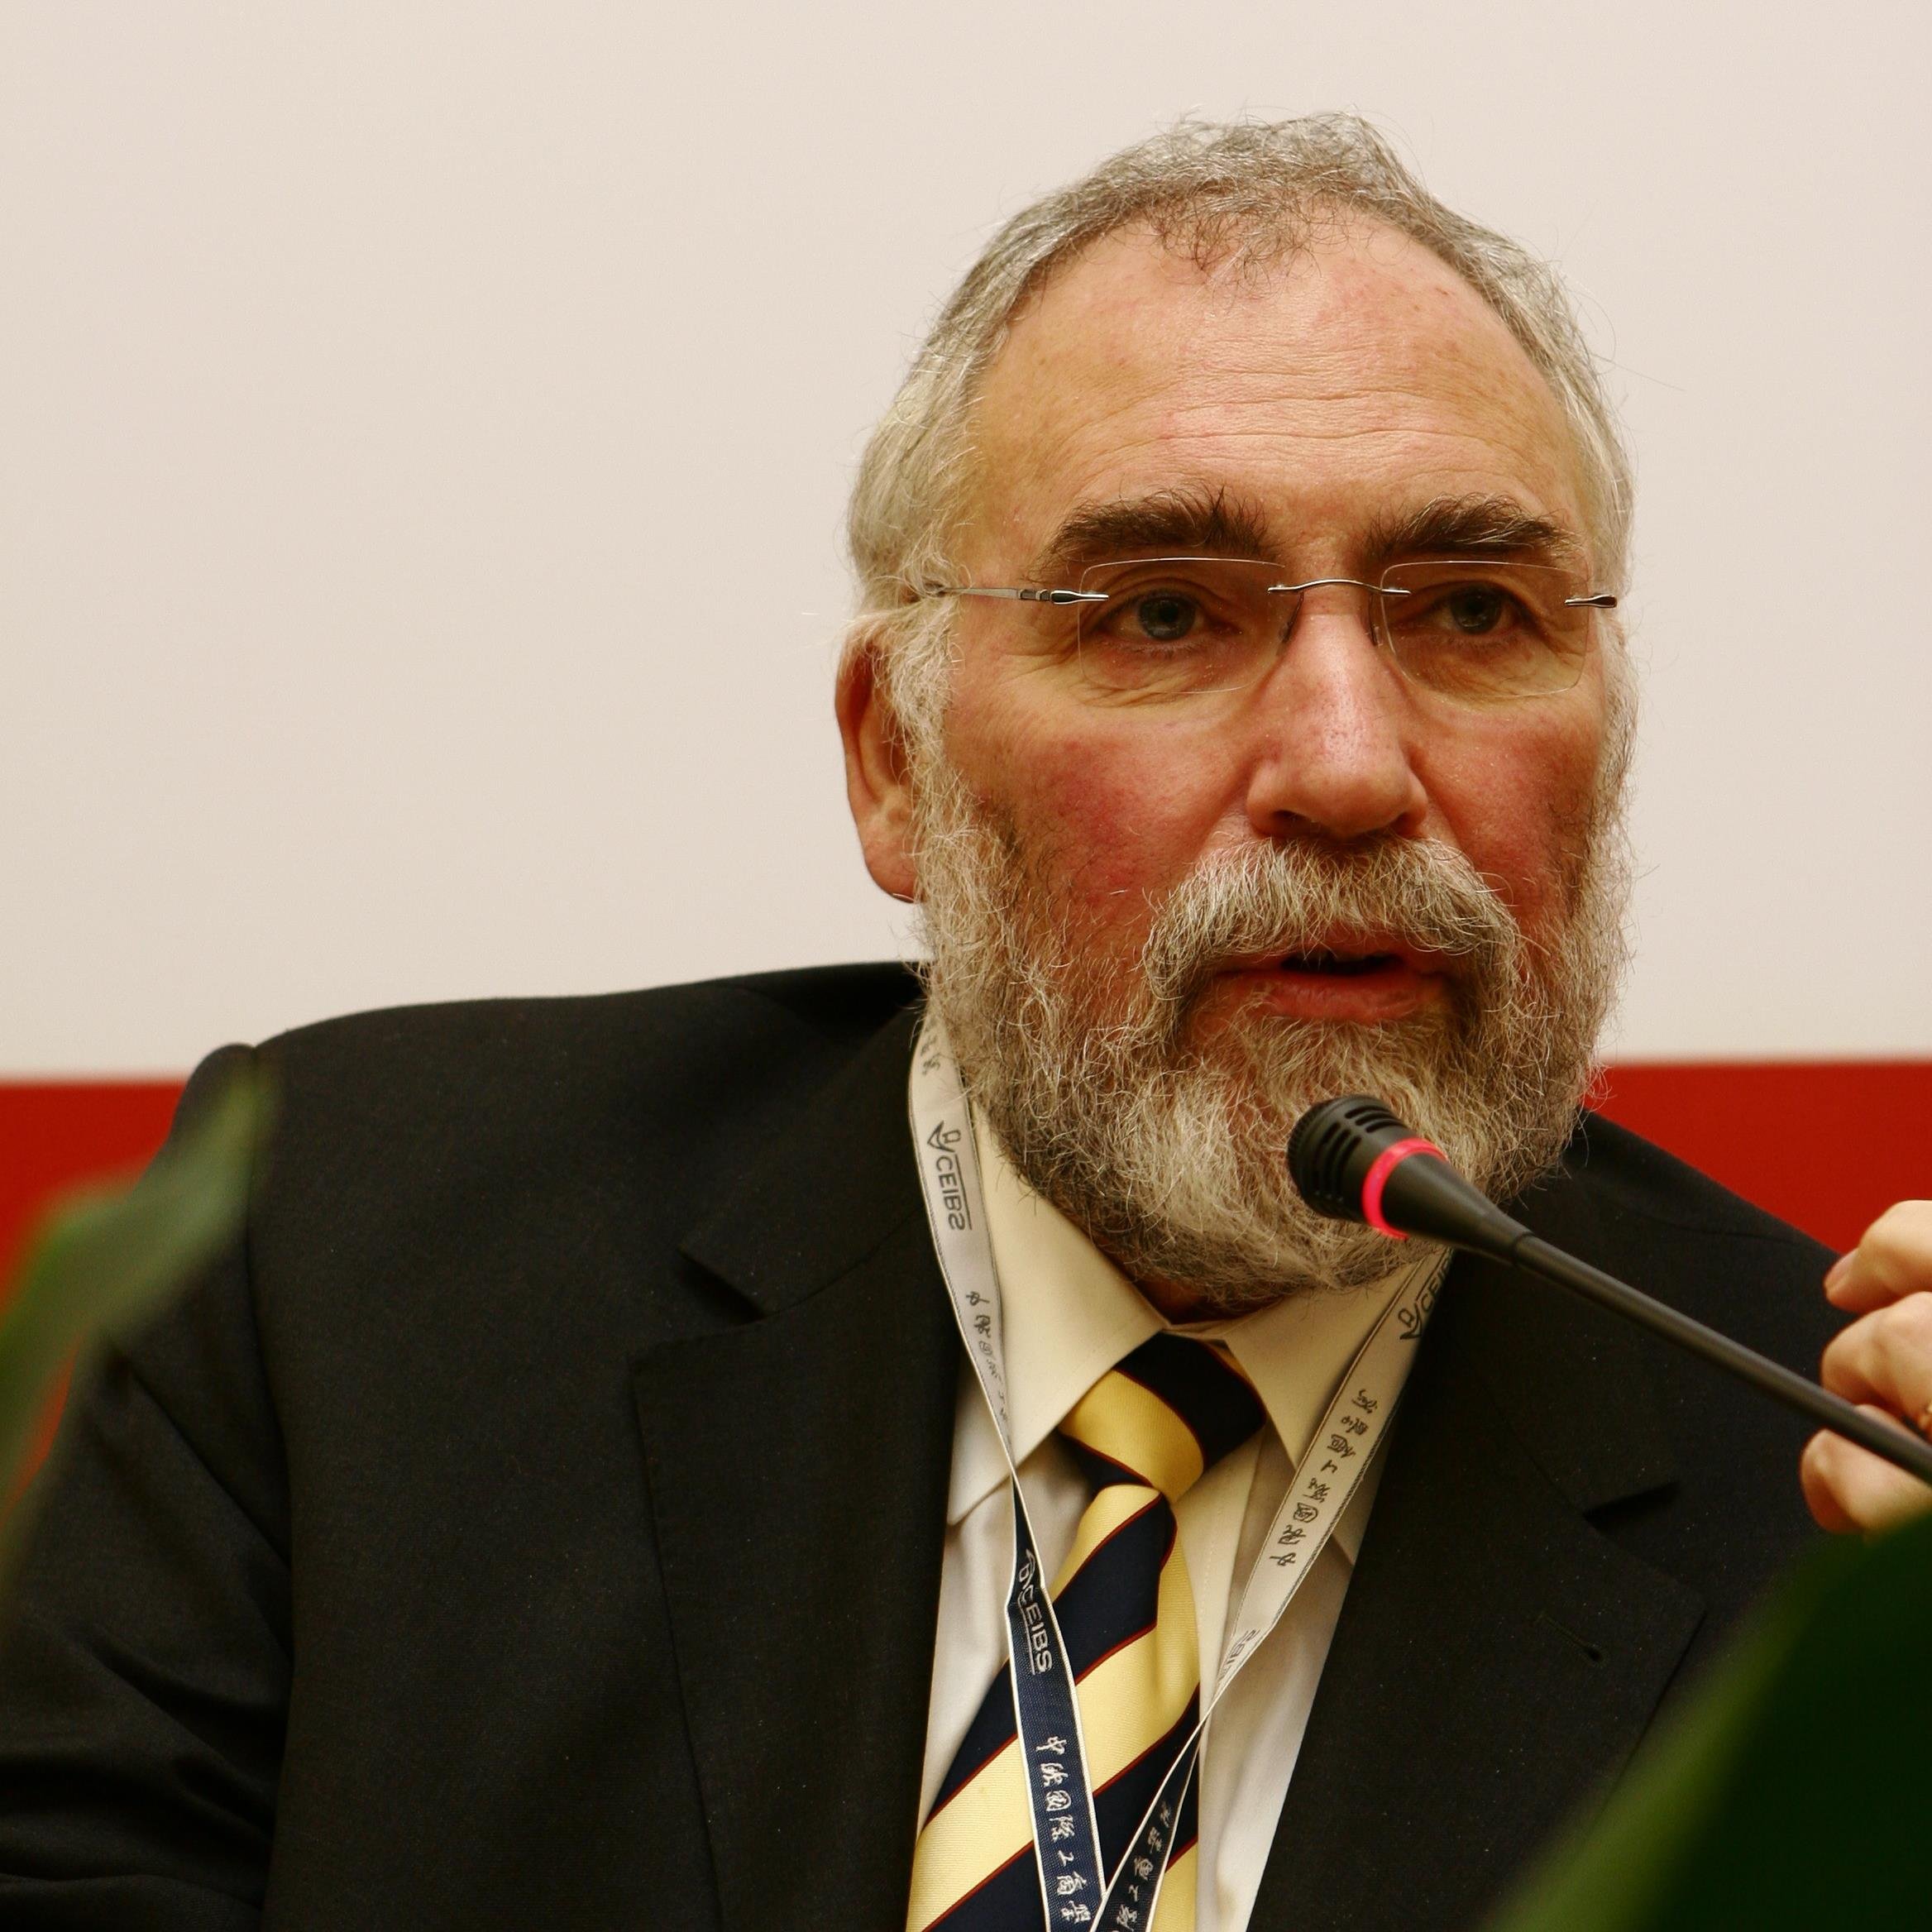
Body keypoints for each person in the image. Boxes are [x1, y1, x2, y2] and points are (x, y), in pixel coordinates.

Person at [0, 116, 1925, 1932]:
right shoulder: (349, 1273)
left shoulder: (1845, 1507)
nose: (1348, 765)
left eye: (1476, 611)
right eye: (1163, 615)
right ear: (898, 765)